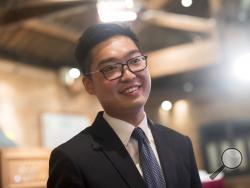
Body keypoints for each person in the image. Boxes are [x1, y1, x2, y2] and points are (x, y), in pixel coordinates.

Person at [47, 23, 202, 188]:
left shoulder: (180, 144)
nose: (128, 75)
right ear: (89, 85)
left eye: (135, 60)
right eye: (111, 68)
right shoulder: (71, 159)